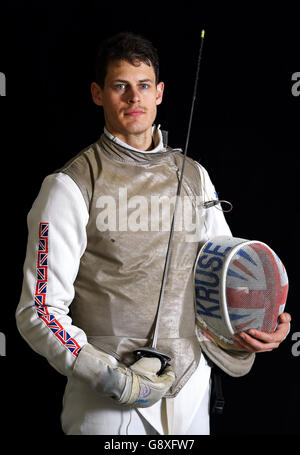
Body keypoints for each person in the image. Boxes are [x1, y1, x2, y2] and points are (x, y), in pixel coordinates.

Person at [16, 32, 291, 435]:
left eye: (143, 86)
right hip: (107, 400)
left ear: (159, 93)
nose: (133, 98)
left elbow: (224, 273)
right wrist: (107, 375)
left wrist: (260, 321)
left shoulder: (195, 176)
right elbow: (38, 310)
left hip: (188, 392)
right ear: (98, 94)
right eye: (120, 86)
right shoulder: (70, 186)